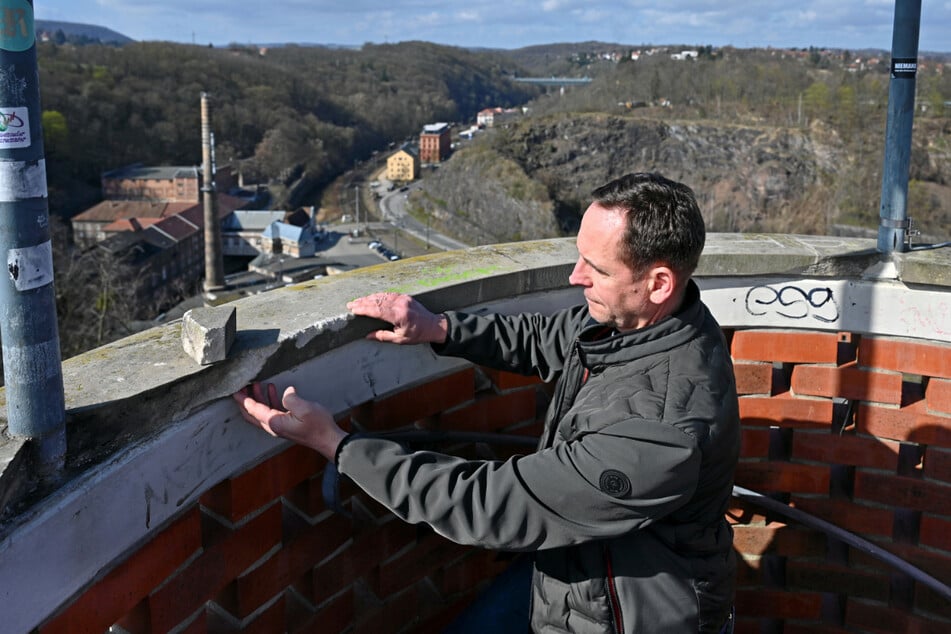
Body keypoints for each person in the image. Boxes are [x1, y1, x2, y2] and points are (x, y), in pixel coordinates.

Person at [234, 172, 740, 633]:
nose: (574, 277)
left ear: (658, 284)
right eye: (579, 256)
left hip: (626, 615)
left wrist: (336, 445)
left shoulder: (659, 432)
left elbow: (488, 504)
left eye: (596, 268)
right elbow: (549, 338)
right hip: (583, 571)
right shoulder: (648, 323)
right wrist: (439, 328)